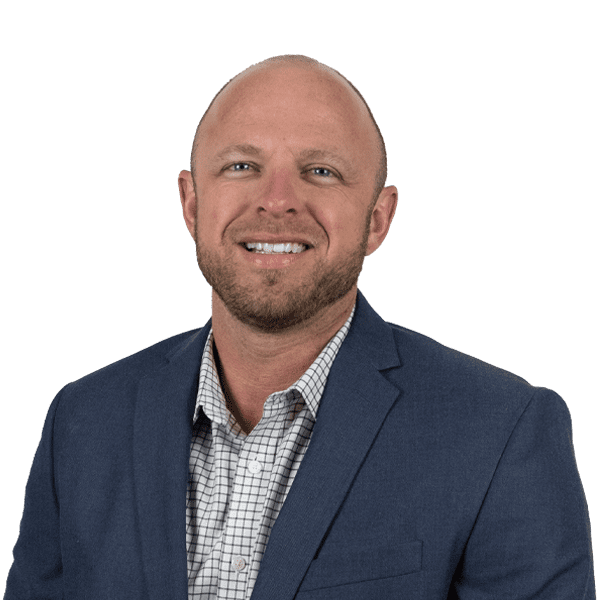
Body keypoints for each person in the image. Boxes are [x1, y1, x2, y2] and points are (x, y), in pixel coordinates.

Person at [4, 54, 596, 600]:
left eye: (320, 171)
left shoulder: (501, 435)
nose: (277, 200)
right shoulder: (82, 422)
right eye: (241, 166)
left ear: (378, 218)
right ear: (191, 203)